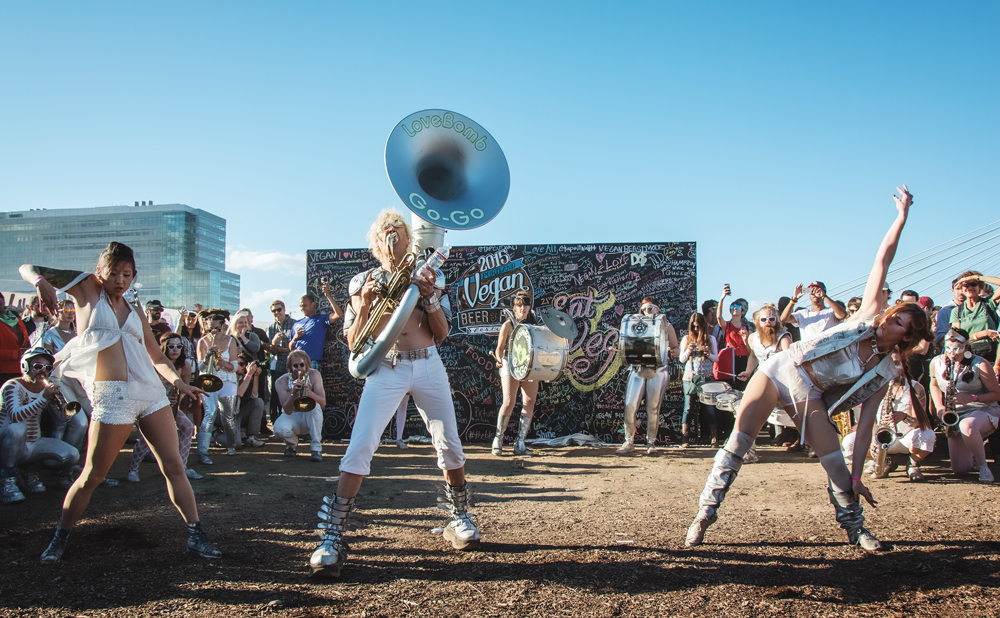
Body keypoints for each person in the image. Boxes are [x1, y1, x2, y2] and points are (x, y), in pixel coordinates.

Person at [685, 185, 933, 553]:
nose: (889, 321)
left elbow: (864, 428)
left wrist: (855, 473)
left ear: (907, 337)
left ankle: (855, 528)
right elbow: (882, 261)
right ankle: (704, 514)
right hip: (780, 369)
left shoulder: (884, 371)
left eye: (899, 324)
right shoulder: (863, 319)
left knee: (835, 462)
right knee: (738, 441)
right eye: (893, 315)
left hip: (808, 392)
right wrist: (901, 218)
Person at [19, 241, 220, 563]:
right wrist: (41, 283)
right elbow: (28, 268)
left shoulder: (135, 309)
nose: (120, 280)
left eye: (126, 274)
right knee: (92, 475)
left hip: (151, 394)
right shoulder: (86, 288)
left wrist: (181, 383)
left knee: (175, 466)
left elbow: (156, 355)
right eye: (113, 273)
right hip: (113, 397)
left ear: (134, 275)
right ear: (100, 272)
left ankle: (197, 535)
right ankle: (60, 537)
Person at [308, 209, 480, 579]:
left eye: (398, 231)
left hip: (428, 362)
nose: (391, 237)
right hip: (386, 366)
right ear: (375, 244)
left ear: (409, 238)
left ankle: (460, 516)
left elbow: (442, 333)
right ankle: (333, 535)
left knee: (449, 443)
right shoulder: (361, 281)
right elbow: (355, 342)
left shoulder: (429, 274)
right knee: (361, 445)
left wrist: (430, 296)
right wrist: (366, 302)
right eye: (384, 233)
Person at [0, 348, 81, 504]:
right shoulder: (12, 386)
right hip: (6, 441)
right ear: (25, 367)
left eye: (47, 367)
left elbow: (64, 418)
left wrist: (62, 406)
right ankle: (6, 479)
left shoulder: (45, 389)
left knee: (72, 454)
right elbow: (16, 415)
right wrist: (43, 398)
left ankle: (32, 470)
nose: (42, 371)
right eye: (37, 366)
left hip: (33, 443)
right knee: (18, 428)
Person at [928, 328, 1000, 482]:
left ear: (966, 347)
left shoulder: (980, 363)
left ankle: (983, 467)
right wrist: (940, 407)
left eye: (957, 349)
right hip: (954, 414)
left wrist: (972, 397)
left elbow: (996, 394)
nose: (952, 353)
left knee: (967, 425)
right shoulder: (936, 362)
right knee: (960, 469)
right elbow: (933, 385)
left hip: (981, 409)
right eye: (948, 348)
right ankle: (973, 453)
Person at [841, 363, 935, 482]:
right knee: (848, 442)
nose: (894, 369)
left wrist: (904, 417)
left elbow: (920, 422)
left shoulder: (916, 388)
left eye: (897, 364)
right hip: (881, 436)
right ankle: (884, 462)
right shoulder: (875, 386)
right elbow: (867, 417)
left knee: (928, 436)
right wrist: (874, 435)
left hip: (905, 438)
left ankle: (913, 465)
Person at [126, 334, 201, 482]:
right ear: (164, 347)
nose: (175, 349)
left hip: (168, 405)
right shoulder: (154, 364)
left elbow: (183, 389)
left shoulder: (184, 366)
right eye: (171, 346)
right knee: (146, 436)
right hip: (149, 403)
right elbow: (144, 387)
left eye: (179, 346)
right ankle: (133, 470)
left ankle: (182, 467)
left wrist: (176, 400)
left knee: (187, 426)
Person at [614, 297, 679, 455]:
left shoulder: (666, 325)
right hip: (637, 369)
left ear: (657, 309)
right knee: (630, 404)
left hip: (658, 370)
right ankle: (629, 441)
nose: (646, 311)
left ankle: (651, 442)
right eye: (644, 309)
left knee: (653, 407)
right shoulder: (635, 325)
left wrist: (669, 351)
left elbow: (676, 349)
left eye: (650, 308)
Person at [492, 290, 541, 456]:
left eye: (526, 305)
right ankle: (498, 439)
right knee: (509, 401)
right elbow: (499, 349)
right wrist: (499, 359)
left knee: (530, 401)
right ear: (514, 308)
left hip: (529, 366)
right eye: (520, 305)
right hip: (510, 363)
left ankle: (520, 442)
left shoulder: (533, 326)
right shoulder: (508, 325)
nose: (523, 308)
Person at [741, 303, 794, 451]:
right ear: (758, 321)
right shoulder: (752, 338)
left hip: (782, 380)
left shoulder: (783, 337)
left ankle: (809, 443)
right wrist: (747, 371)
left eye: (771, 319)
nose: (768, 323)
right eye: (764, 320)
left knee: (796, 414)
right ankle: (748, 448)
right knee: (745, 409)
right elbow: (753, 356)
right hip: (760, 379)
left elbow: (791, 360)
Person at [195, 310, 240, 462]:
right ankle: (202, 451)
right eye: (210, 329)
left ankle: (231, 445)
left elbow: (235, 367)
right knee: (210, 413)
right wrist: (207, 358)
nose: (213, 332)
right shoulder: (202, 342)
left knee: (227, 416)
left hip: (227, 381)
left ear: (223, 327)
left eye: (217, 328)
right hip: (209, 381)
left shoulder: (230, 341)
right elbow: (200, 368)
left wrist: (223, 363)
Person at [273, 349, 326, 461]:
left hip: (310, 417)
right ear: (289, 367)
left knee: (315, 407)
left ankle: (316, 448)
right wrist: (293, 393)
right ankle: (291, 444)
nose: (299, 368)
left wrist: (310, 393)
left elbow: (322, 403)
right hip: (293, 415)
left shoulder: (315, 374)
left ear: (307, 365)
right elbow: (287, 410)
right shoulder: (281, 381)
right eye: (295, 366)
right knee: (278, 430)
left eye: (302, 365)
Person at [679, 312, 719, 448]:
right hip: (690, 377)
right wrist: (689, 350)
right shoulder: (686, 339)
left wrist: (708, 354)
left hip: (707, 376)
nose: (696, 329)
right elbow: (681, 359)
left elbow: (716, 358)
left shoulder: (711, 339)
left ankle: (714, 437)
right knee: (688, 407)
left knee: (709, 407)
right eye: (694, 326)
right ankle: (685, 438)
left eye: (698, 327)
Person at [949, 272, 1000, 364]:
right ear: (961, 288)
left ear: (979, 287)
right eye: (966, 285)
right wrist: (984, 333)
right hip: (969, 355)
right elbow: (956, 339)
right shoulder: (957, 311)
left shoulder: (988, 304)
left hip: (991, 355)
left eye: (973, 284)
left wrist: (978, 277)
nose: (970, 288)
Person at [290, 285, 344, 371]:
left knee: (312, 384)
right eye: (300, 306)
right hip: (297, 363)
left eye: (304, 305)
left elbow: (339, 314)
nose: (302, 308)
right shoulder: (296, 324)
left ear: (312, 305)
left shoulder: (320, 319)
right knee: (298, 384)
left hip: (312, 361)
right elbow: (290, 348)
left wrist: (328, 296)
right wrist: (295, 338)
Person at [780, 281, 848, 340]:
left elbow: (843, 315)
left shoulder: (831, 311)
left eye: (817, 290)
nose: (814, 293)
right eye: (811, 291)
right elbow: (783, 318)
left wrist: (824, 296)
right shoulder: (802, 314)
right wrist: (794, 299)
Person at [715, 286, 752, 391]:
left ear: (743, 312)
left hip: (743, 360)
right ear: (730, 311)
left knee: (741, 389)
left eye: (738, 307)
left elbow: (750, 352)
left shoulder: (747, 327)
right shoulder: (726, 325)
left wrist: (746, 340)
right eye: (732, 307)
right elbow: (719, 317)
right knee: (728, 389)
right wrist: (722, 299)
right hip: (730, 359)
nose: (735, 308)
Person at [265, 300, 296, 425]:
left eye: (278, 309)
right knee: (275, 393)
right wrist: (274, 343)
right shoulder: (271, 327)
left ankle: (292, 419)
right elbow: (271, 350)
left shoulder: (294, 324)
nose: (276, 313)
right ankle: (275, 420)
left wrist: (280, 349)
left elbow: (293, 348)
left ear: (284, 309)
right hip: (277, 365)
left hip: (292, 365)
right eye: (274, 311)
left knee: (292, 391)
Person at [234, 356, 265, 448]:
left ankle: (252, 436)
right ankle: (215, 434)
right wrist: (249, 374)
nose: (243, 366)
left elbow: (254, 396)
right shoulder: (229, 378)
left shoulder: (246, 377)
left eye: (244, 364)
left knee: (258, 402)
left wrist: (255, 376)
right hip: (229, 415)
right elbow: (239, 393)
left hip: (240, 413)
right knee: (237, 444)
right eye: (240, 364)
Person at [0, 292, 31, 386]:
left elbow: (25, 342)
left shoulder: (17, 321)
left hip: (21, 371)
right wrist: (16, 354)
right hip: (3, 373)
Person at [936, 278, 965, 351]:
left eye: (963, 289)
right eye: (958, 289)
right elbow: (940, 337)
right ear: (952, 290)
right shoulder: (945, 311)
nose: (961, 292)